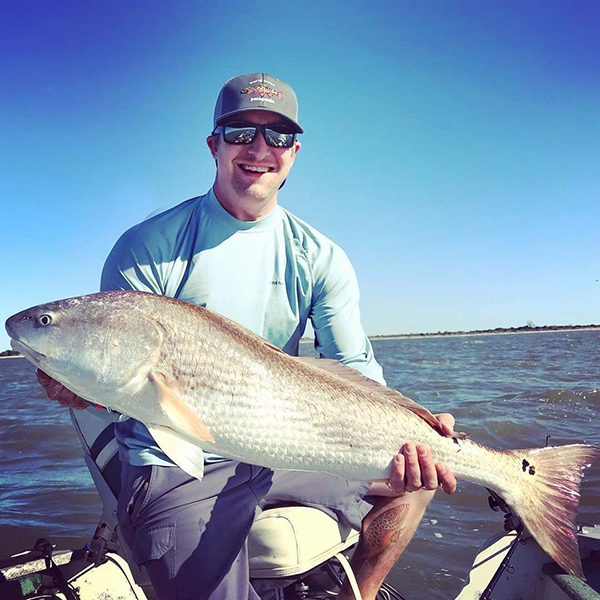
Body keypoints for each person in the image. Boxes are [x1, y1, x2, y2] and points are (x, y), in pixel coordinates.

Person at [38, 72, 457, 600]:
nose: (259, 149)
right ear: (214, 145)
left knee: (417, 481)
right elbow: (123, 387)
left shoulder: (321, 257)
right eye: (240, 132)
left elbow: (356, 370)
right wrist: (91, 389)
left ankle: (364, 594)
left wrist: (415, 425)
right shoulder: (148, 247)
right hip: (179, 458)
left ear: (295, 153)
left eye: (278, 137)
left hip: (284, 444)